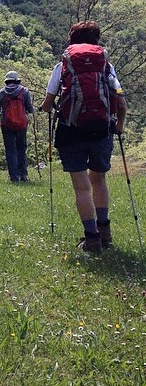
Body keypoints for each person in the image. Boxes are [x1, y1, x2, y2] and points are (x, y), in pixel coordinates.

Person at [40, 20, 127, 253]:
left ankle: (92, 239)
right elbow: (120, 100)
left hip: (71, 131)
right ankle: (105, 232)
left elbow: (48, 104)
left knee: (81, 188)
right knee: (98, 180)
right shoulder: (106, 66)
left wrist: (45, 108)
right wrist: (119, 124)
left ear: (72, 40)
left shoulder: (63, 66)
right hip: (101, 129)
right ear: (96, 41)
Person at [0, 71, 35, 182]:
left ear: (7, 80)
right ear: (17, 80)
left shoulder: (1, 93)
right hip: (22, 124)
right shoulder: (24, 91)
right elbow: (30, 108)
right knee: (22, 148)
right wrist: (33, 118)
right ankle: (23, 175)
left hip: (6, 124)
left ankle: (14, 177)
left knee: (10, 150)